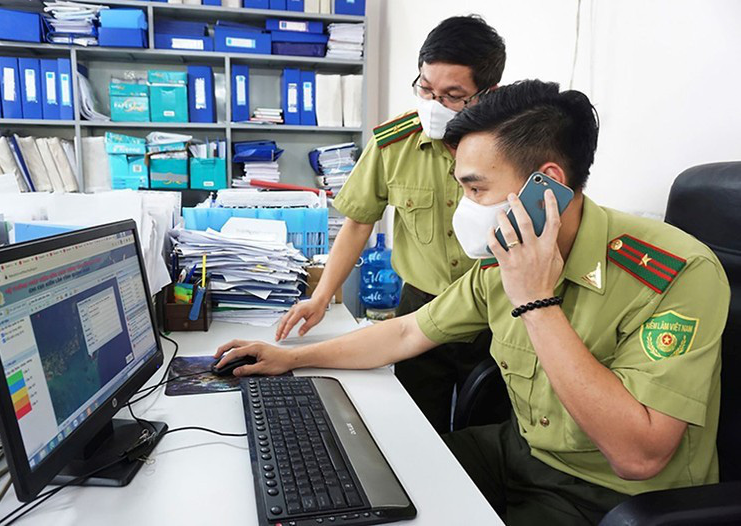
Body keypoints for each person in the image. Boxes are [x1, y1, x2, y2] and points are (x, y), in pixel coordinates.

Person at [215, 80, 730, 524]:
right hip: (521, 450)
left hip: (610, 495)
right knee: (364, 476)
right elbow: (408, 332)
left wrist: (536, 301)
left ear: (544, 186)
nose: (466, 209)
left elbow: (637, 457)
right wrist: (291, 359)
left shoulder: (676, 272)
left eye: (476, 190)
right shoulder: (502, 258)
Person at [275, 15, 507, 433]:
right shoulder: (393, 144)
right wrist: (321, 296)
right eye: (426, 88)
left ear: (488, 95)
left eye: (454, 96)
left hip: (498, 314)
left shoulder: (511, 149)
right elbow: (358, 223)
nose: (435, 105)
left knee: (489, 431)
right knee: (418, 427)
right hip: (420, 307)